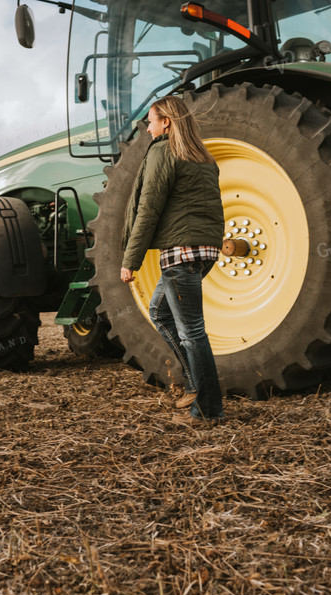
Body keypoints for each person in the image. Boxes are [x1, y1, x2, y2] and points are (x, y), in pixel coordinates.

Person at [120, 94, 225, 425]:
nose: (147, 128)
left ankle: (209, 410)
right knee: (159, 311)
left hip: (180, 253)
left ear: (166, 122)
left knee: (193, 331)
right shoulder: (204, 158)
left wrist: (130, 260)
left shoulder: (164, 152)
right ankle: (195, 387)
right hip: (204, 251)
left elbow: (148, 209)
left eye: (150, 121)